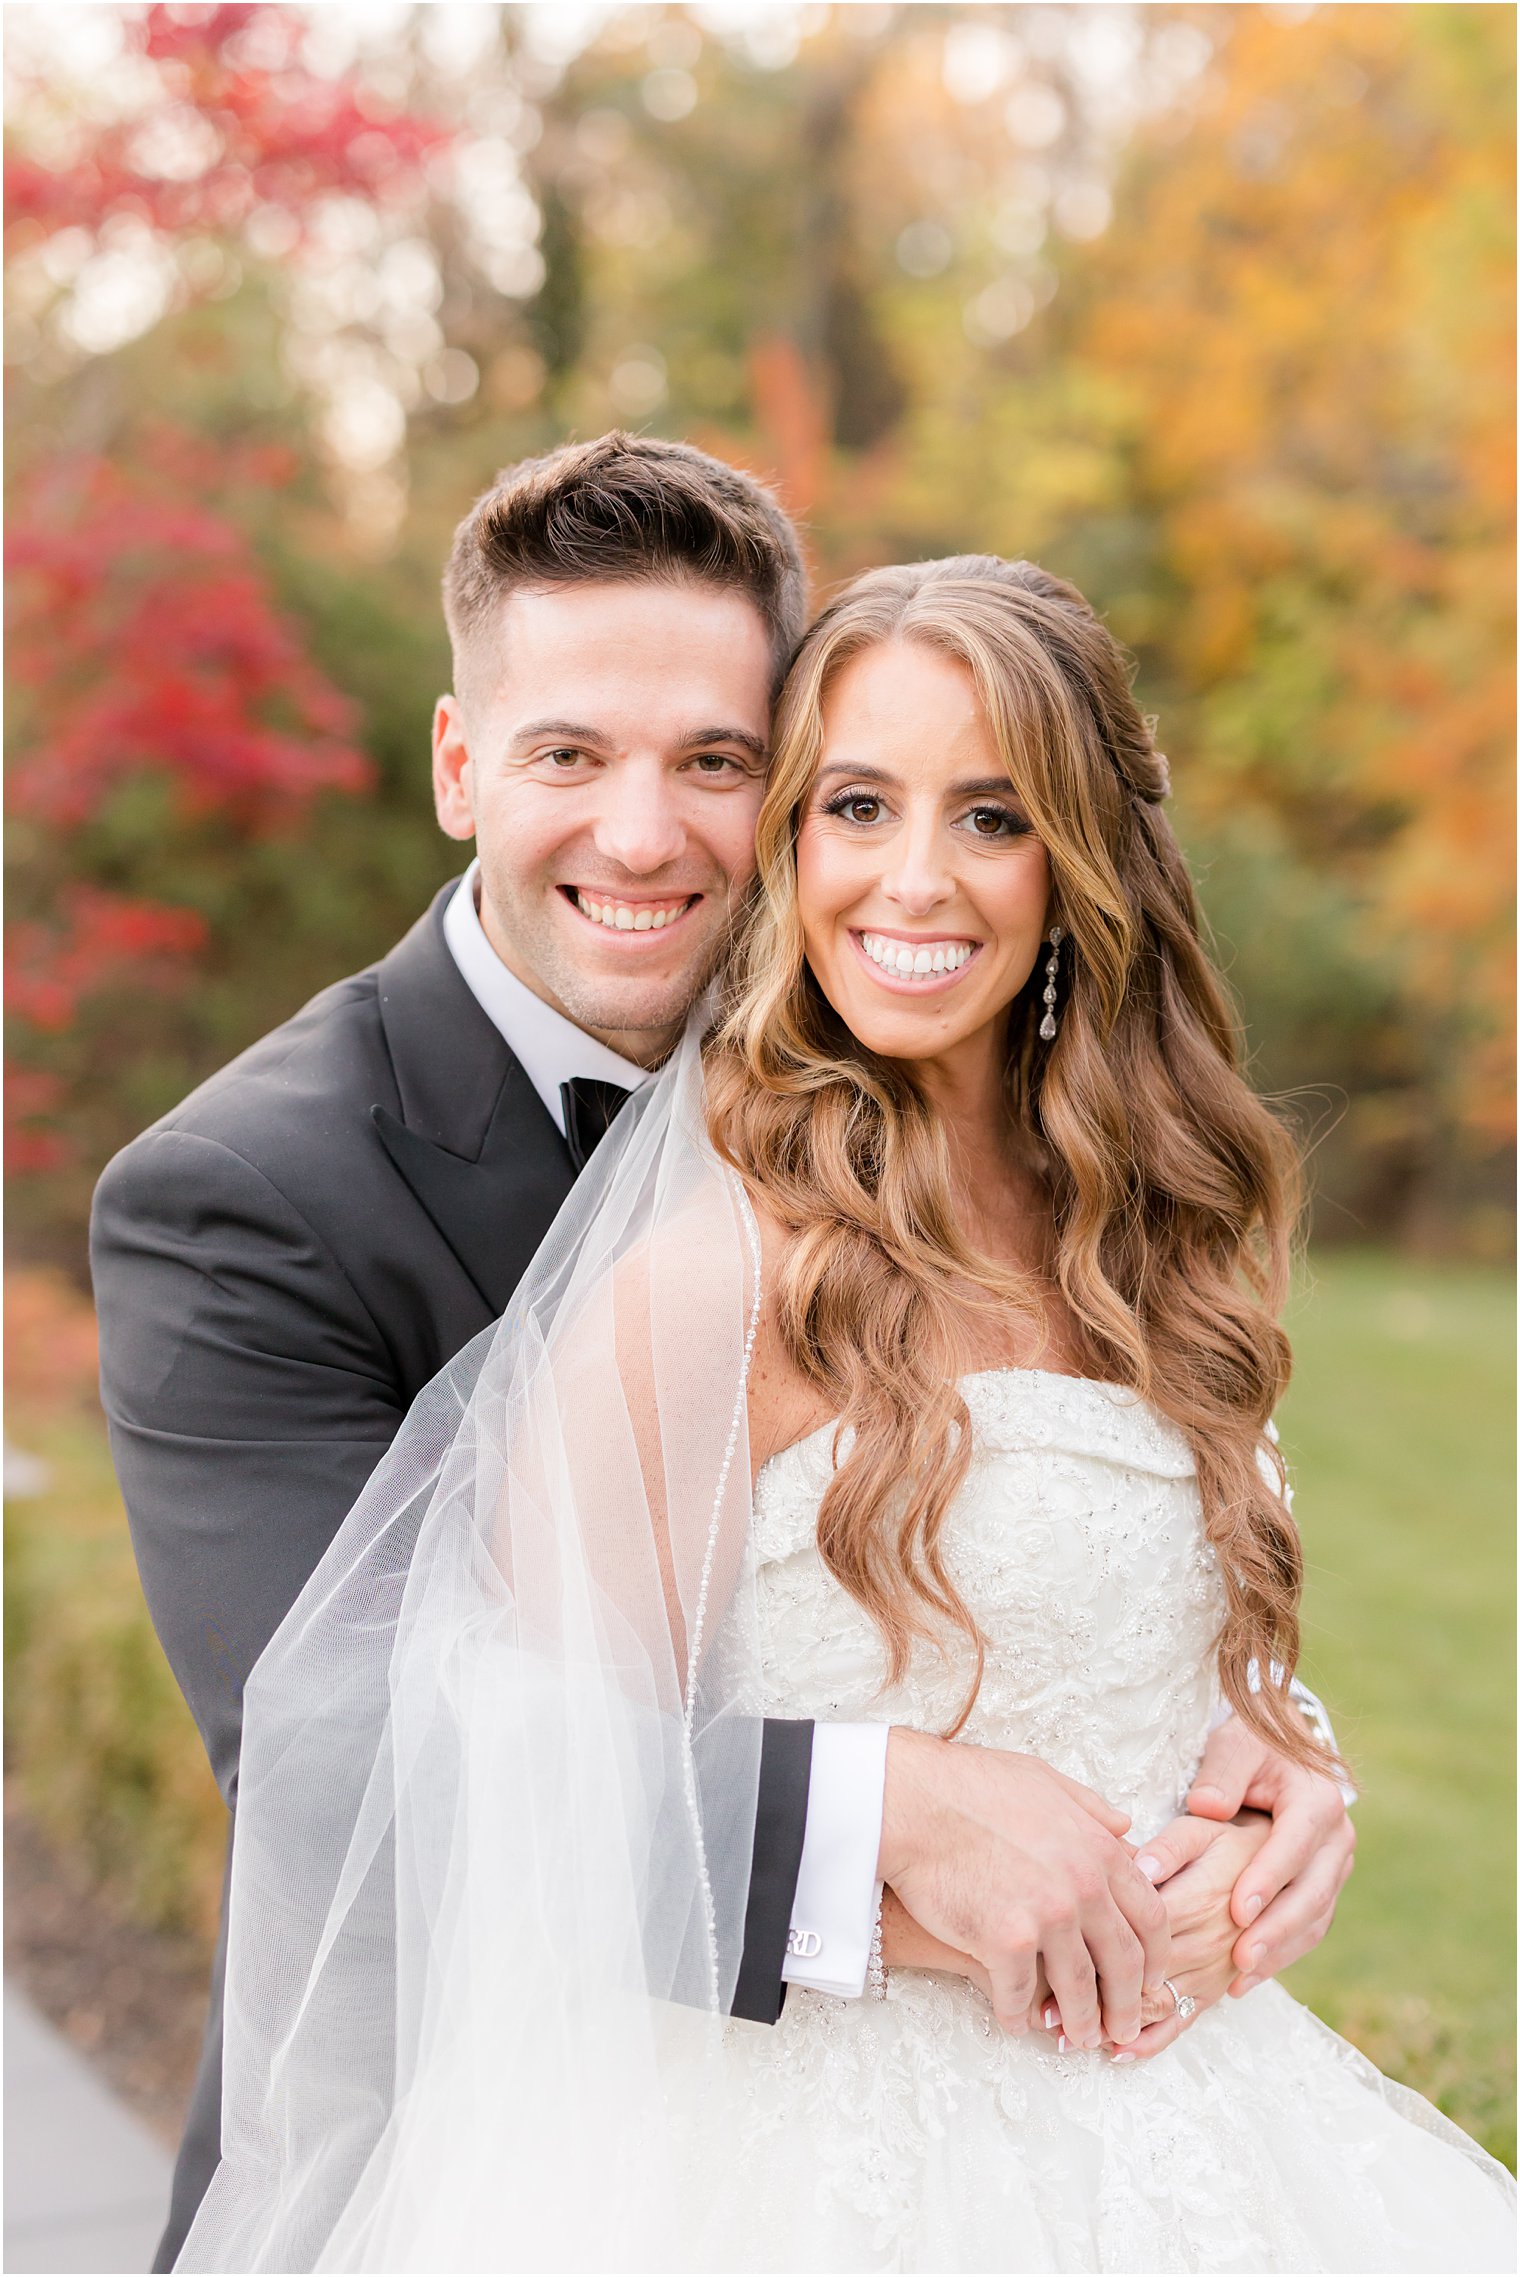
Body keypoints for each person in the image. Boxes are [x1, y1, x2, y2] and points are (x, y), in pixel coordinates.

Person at [93, 439, 1359, 2268]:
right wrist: (908, 1827)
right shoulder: (249, 1195)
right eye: (567, 755)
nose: (644, 834)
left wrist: (1253, 1759)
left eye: (715, 762)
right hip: (506, 2146)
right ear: (461, 768)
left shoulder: (992, 1118)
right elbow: (363, 1782)